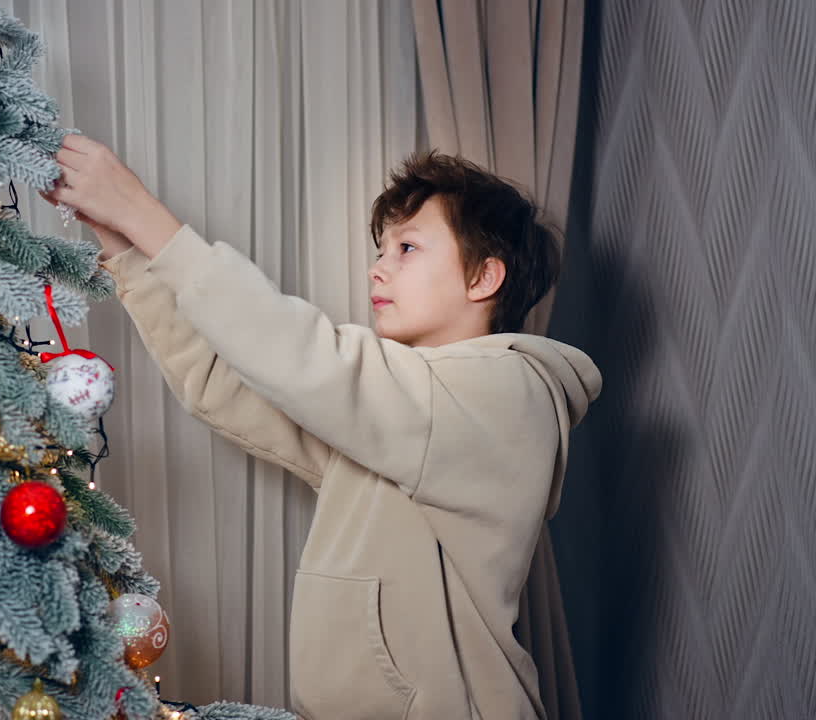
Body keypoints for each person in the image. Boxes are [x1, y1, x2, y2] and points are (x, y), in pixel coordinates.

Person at [44, 135, 602, 720]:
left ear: (484, 278)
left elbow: (303, 358)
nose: (378, 268)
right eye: (381, 250)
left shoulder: (508, 394)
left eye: (407, 248)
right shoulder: (394, 407)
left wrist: (143, 213)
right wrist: (126, 246)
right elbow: (222, 386)